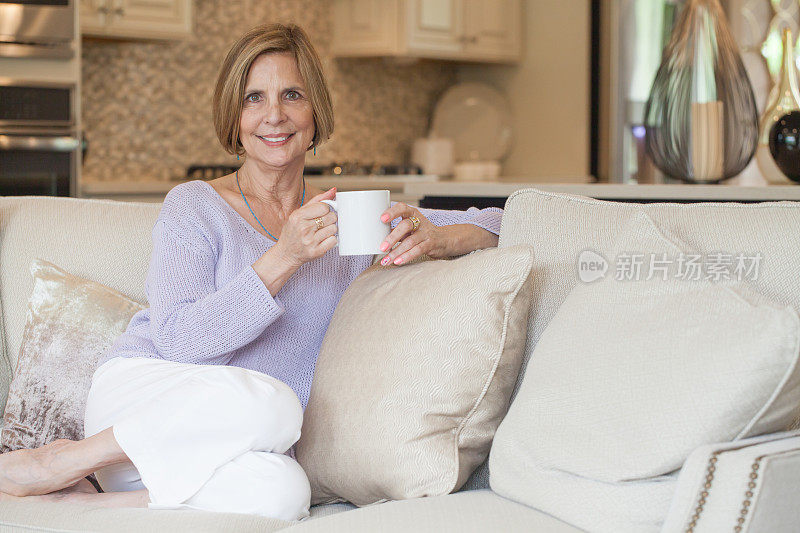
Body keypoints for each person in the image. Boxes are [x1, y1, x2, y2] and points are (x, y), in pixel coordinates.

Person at [0, 23, 503, 521]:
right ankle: (61, 460)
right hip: (141, 410)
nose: (275, 116)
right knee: (278, 406)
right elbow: (179, 341)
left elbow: (505, 222)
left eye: (292, 95)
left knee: (286, 492)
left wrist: (440, 236)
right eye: (253, 99)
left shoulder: (348, 222)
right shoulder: (194, 207)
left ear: (315, 111)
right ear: (234, 116)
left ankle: (85, 501)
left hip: (227, 447)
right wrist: (283, 258)